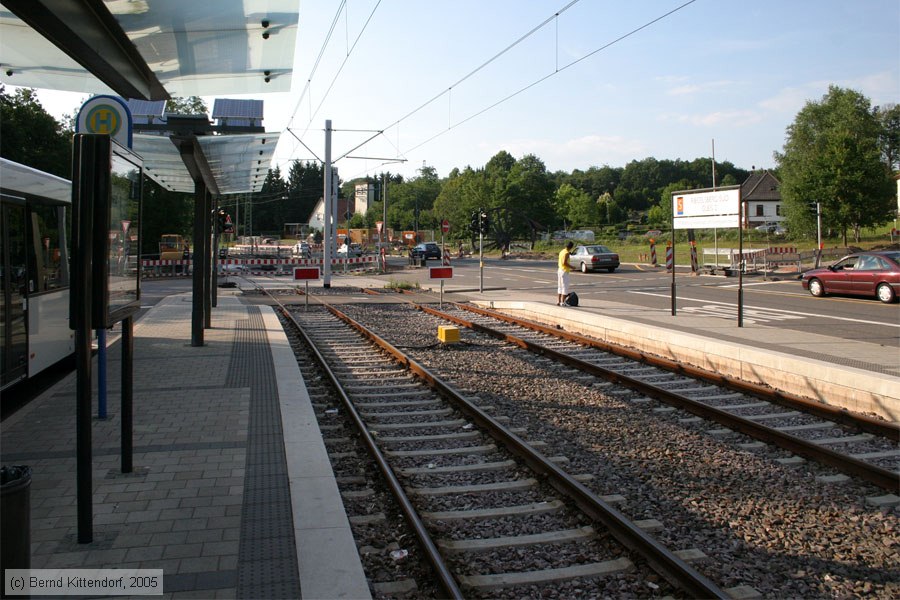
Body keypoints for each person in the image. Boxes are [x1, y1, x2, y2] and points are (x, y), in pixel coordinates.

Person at [557, 241, 574, 306]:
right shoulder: (566, 253)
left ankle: (559, 301)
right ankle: (563, 302)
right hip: (564, 271)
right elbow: (565, 263)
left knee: (560, 286)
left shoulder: (562, 251)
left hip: (560, 270)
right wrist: (572, 267)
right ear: (571, 247)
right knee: (565, 287)